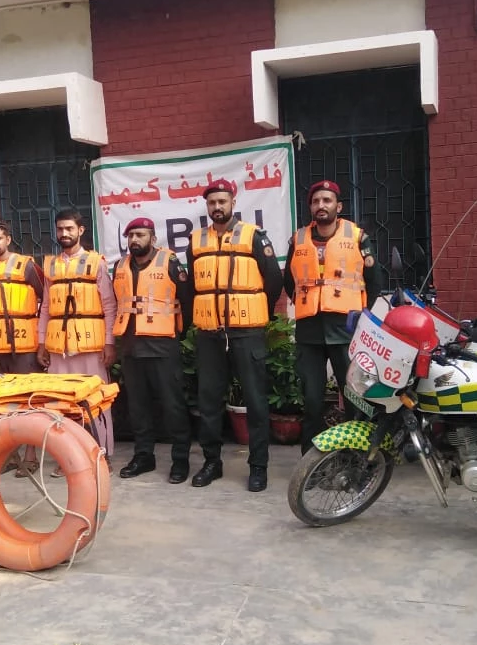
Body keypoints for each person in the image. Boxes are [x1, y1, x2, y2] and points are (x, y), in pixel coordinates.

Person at [186, 178, 282, 493]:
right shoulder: (196, 240)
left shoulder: (254, 237)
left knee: (255, 402)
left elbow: (273, 281)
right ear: (207, 206)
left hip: (247, 333)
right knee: (209, 402)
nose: (217, 207)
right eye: (212, 203)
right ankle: (212, 463)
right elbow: (192, 289)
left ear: (233, 202)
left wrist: (252, 310)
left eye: (222, 201)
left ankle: (258, 467)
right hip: (210, 335)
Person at [284, 180, 383, 454]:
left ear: (337, 206)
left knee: (353, 397)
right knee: (312, 400)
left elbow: (374, 281)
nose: (321, 206)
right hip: (309, 332)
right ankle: (311, 461)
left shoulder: (358, 237)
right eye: (316, 201)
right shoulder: (298, 238)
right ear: (311, 207)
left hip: (345, 330)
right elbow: (288, 281)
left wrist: (359, 314)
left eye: (327, 201)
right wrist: (306, 302)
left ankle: (355, 458)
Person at [111, 217, 194, 483]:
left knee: (173, 406)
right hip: (131, 347)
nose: (134, 240)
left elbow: (188, 299)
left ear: (153, 238)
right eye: (131, 235)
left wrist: (179, 331)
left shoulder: (169, 262)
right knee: (138, 407)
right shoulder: (119, 266)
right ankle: (143, 456)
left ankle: (180, 460)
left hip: (162, 345)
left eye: (140, 235)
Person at [36, 209, 118, 469]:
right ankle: (69, 457)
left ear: (81, 230)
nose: (64, 234)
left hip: (91, 346)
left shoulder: (97, 263)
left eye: (69, 229)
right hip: (59, 347)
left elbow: (109, 305)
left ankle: (100, 454)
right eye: (60, 229)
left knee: (95, 401)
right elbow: (46, 307)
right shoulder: (51, 265)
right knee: (63, 403)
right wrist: (41, 343)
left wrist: (109, 342)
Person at [0, 218, 44, 376]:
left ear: (8, 240)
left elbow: (47, 301)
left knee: (26, 394)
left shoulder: (27, 266)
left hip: (23, 346)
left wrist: (44, 341)